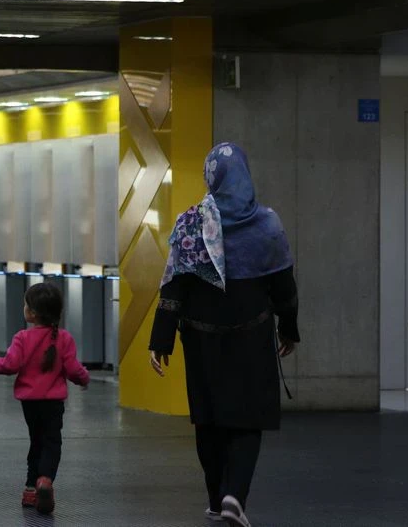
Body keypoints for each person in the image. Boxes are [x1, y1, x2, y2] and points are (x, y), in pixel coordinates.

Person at [149, 142, 300, 527]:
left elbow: (174, 286)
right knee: (247, 420)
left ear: (211, 176)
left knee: (209, 418)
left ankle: (217, 499)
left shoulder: (190, 222)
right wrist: (290, 329)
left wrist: (160, 340)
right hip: (251, 337)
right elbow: (284, 287)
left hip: (202, 340)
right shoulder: (267, 224)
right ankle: (235, 496)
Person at [0, 283, 90, 516]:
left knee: (36, 442)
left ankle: (30, 490)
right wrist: (84, 379)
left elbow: (9, 366)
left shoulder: (22, 338)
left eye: (26, 304)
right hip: (53, 404)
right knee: (51, 443)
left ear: (33, 313)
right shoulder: (64, 338)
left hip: (30, 403)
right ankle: (45, 480)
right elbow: (73, 369)